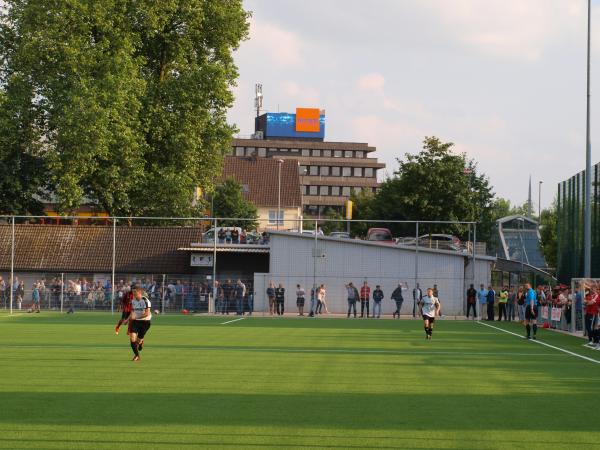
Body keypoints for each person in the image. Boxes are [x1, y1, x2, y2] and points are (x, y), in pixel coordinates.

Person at [129, 286, 152, 362]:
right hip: (136, 322)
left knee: (138, 341)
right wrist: (127, 319)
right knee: (132, 338)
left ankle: (141, 342)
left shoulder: (145, 301)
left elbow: (147, 313)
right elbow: (133, 311)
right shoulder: (133, 301)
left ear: (139, 292)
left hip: (145, 322)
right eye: (133, 291)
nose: (133, 293)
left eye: (135, 292)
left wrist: (135, 317)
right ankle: (137, 355)